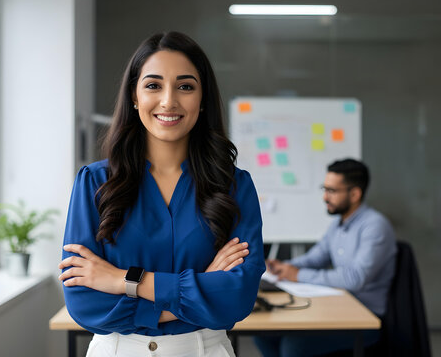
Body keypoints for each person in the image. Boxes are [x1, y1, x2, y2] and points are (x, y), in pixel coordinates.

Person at [58, 31, 265, 357]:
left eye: (185, 86)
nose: (169, 100)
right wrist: (200, 288)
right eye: (153, 85)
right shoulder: (94, 182)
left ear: (202, 98)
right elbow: (85, 304)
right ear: (135, 96)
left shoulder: (235, 186)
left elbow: (236, 298)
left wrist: (122, 281)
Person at [255, 158, 397, 357]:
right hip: (338, 307)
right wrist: (283, 266)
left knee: (294, 345)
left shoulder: (374, 226)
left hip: (365, 318)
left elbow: (355, 278)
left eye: (332, 191)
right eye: (324, 189)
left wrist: (298, 274)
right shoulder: (338, 225)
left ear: (355, 194)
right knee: (263, 333)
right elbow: (315, 258)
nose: (324, 197)